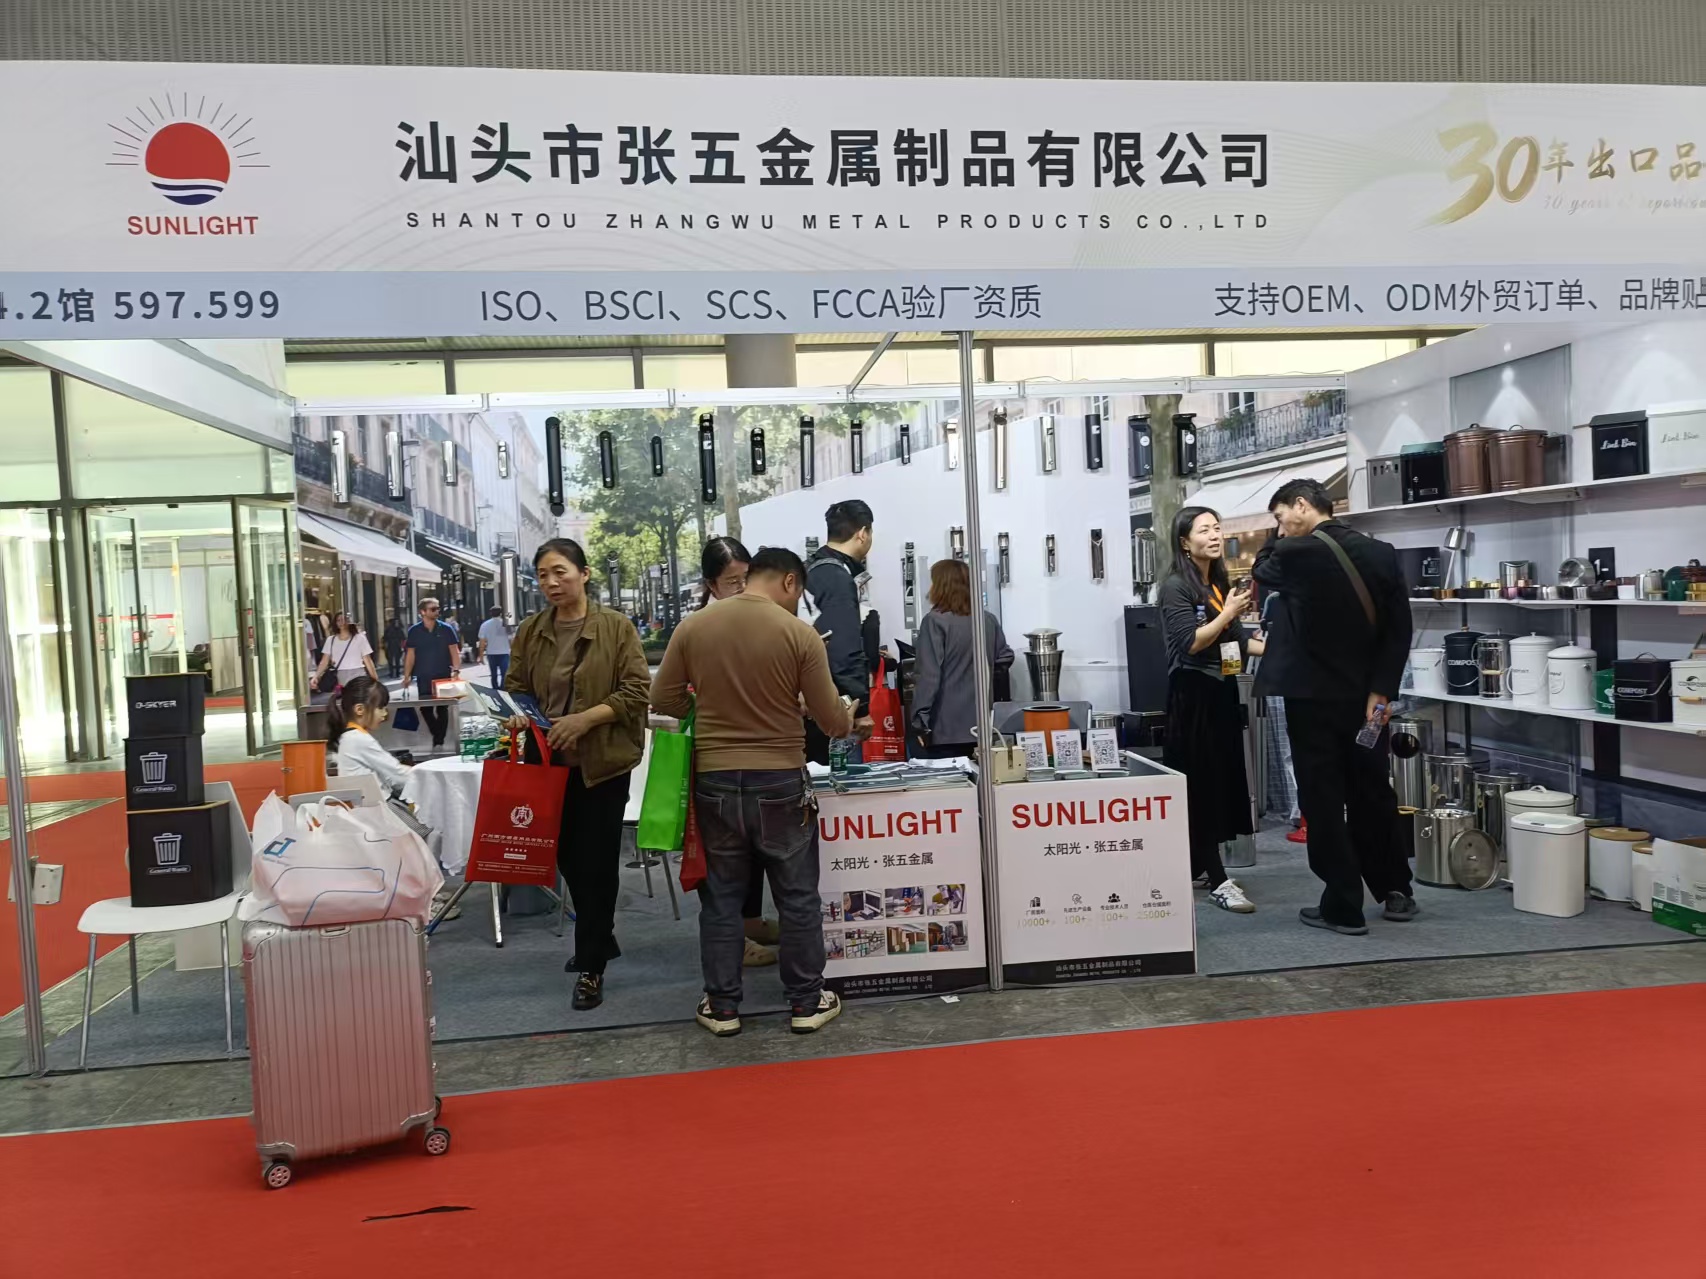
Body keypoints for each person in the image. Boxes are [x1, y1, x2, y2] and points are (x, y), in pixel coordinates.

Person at [651, 546, 856, 1038]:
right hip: (781, 780)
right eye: (799, 592)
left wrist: (710, 703)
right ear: (788, 581)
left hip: (715, 780)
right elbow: (832, 721)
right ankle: (806, 1002)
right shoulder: (799, 634)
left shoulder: (694, 627)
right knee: (797, 896)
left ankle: (722, 1007)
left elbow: (663, 700)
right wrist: (835, 711)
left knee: (721, 899)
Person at [1253, 478, 1417, 935]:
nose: (1281, 527)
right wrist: (1381, 690)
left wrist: (1276, 538)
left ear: (1302, 505)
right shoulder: (1381, 552)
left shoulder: (1293, 552)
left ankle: (1344, 905)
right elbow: (1399, 628)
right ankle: (1395, 889)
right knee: (1373, 790)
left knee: (1322, 798)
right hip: (1367, 702)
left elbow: (1261, 569)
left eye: (1281, 517)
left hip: (1311, 700)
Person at [504, 538, 651, 1012]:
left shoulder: (615, 627)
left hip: (602, 765)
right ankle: (600, 935)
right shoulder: (531, 631)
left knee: (599, 864)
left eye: (560, 572)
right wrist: (516, 714)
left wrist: (585, 720)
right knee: (564, 856)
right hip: (548, 765)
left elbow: (636, 691)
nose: (551, 582)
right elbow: (516, 687)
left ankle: (591, 965)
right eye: (543, 575)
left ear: (584, 574)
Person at [1157, 508, 1259, 914]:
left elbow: (1239, 643)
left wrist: (1291, 648)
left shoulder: (1216, 583)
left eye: (1217, 528)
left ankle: (1200, 866)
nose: (1215, 536)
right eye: (1205, 530)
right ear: (1185, 542)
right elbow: (1191, 642)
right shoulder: (1175, 586)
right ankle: (1217, 879)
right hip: (1193, 695)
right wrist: (1229, 613)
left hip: (1222, 691)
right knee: (1201, 787)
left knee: (1222, 783)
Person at [698, 535, 784, 970]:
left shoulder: (767, 619)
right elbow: (668, 696)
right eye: (732, 581)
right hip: (720, 759)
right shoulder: (702, 628)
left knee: (755, 851)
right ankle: (734, 939)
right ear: (711, 586)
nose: (742, 587)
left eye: (746, 577)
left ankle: (750, 922)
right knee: (724, 860)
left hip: (762, 758)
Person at [326, 676, 460, 920]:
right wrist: (429, 776)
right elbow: (396, 773)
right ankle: (425, 899)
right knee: (425, 835)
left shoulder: (349, 738)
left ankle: (427, 891)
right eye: (380, 707)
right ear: (360, 709)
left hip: (372, 805)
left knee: (422, 835)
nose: (384, 713)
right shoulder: (358, 739)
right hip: (379, 807)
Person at [909, 558, 1014, 759]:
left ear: (941, 586)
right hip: (983, 726)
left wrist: (919, 722)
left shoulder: (935, 621)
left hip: (944, 728)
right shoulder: (987, 619)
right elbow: (1005, 656)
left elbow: (928, 676)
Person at [804, 500, 877, 764]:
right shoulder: (836, 577)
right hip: (830, 705)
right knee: (839, 778)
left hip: (813, 696)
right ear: (863, 533)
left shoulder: (814, 567)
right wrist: (860, 708)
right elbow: (843, 648)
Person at [401, 598, 462, 751]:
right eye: (433, 609)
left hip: (443, 674)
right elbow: (410, 654)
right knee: (425, 709)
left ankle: (439, 741)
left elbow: (454, 651)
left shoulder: (446, 629)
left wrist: (456, 670)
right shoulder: (414, 631)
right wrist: (407, 675)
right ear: (423, 612)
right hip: (423, 676)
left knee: (442, 708)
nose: (437, 611)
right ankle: (437, 734)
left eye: (437, 608)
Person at [312, 612, 379, 696]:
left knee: (359, 699)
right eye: (338, 620)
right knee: (340, 700)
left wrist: (375, 679)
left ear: (349, 621)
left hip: (358, 674)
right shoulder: (331, 640)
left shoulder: (360, 638)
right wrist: (316, 676)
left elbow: (367, 660)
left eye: (344, 620)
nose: (341, 622)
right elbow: (324, 661)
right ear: (335, 623)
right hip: (339, 677)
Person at [477, 605, 513, 687]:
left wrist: (481, 656)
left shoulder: (485, 625)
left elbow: (482, 642)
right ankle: (502, 689)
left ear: (490, 613)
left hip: (491, 653)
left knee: (493, 674)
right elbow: (511, 640)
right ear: (501, 613)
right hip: (504, 652)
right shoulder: (506, 624)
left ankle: (495, 689)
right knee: (504, 674)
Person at [382, 612, 407, 679]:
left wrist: (384, 645)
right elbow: (403, 638)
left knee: (392, 660)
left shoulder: (389, 629)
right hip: (395, 646)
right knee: (395, 660)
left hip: (392, 646)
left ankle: (393, 673)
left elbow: (385, 638)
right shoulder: (398, 629)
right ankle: (396, 673)